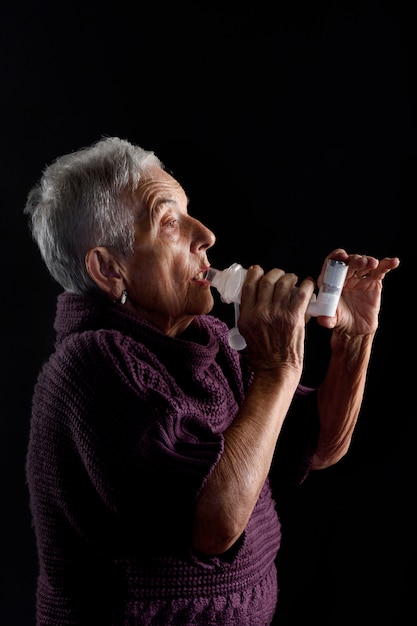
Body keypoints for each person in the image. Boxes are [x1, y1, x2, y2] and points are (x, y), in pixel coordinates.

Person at [24, 136, 400, 626]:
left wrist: (354, 340)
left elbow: (319, 446)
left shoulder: (209, 339)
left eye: (190, 213)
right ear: (109, 270)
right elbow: (214, 524)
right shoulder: (92, 364)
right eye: (169, 222)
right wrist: (277, 366)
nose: (206, 234)